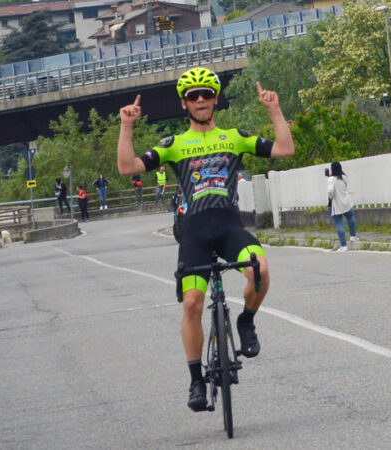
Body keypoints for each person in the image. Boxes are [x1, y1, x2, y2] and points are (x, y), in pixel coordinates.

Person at [116, 67, 294, 413]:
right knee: (192, 304)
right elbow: (127, 168)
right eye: (193, 96)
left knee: (260, 270)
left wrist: (274, 110)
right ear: (184, 104)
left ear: (215, 100)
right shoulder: (174, 145)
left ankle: (246, 321)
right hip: (195, 232)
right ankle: (196, 379)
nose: (201, 100)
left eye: (207, 94)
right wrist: (127, 126)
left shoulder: (234, 137)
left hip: (229, 227)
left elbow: (285, 149)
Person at [327, 161, 358, 252]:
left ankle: (343, 245)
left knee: (339, 224)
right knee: (350, 217)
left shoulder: (331, 179)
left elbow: (330, 190)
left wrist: (331, 197)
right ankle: (353, 236)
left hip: (336, 205)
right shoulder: (344, 177)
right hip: (346, 203)